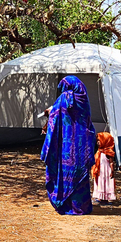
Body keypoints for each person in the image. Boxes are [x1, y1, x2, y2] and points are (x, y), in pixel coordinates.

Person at [41, 76, 97, 215]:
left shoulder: (64, 99)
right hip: (81, 145)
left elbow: (54, 117)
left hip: (65, 146)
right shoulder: (84, 100)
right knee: (80, 175)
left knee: (65, 173)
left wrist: (50, 111)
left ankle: (66, 205)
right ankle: (81, 207)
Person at [92, 131, 116, 203]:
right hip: (100, 172)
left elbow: (111, 163)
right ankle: (100, 197)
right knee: (100, 183)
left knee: (106, 184)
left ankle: (108, 198)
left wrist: (112, 171)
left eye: (99, 141)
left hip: (106, 173)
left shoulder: (109, 152)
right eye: (97, 141)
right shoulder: (99, 151)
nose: (98, 143)